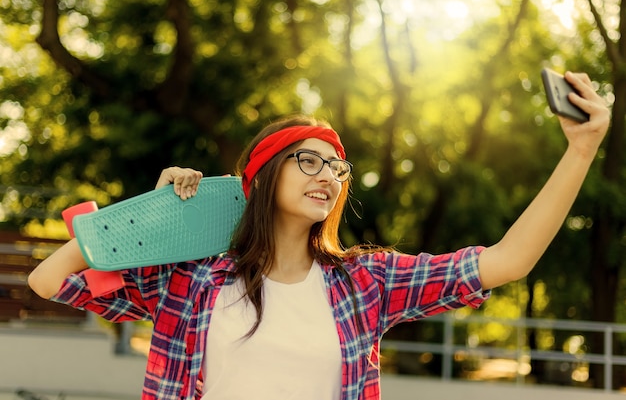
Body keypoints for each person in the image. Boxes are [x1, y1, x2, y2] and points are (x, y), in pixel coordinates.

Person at [28, 71, 610, 400]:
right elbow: (49, 280)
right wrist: (149, 219)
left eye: (336, 167)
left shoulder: (366, 281)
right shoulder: (190, 278)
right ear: (263, 176)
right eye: (309, 161)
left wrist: (581, 149)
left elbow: (507, 261)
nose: (328, 176)